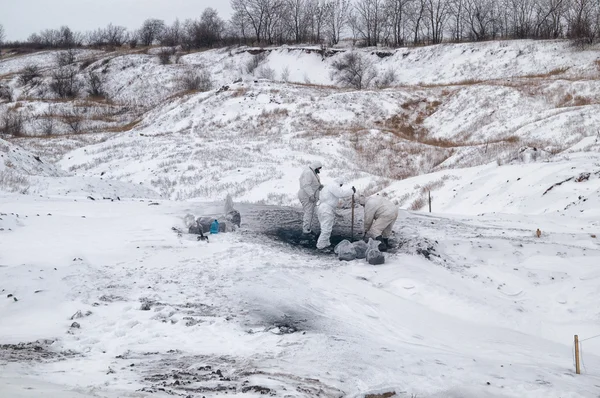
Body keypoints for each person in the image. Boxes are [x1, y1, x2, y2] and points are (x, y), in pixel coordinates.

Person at [316, 178, 356, 250]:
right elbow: (341, 194)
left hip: (323, 208)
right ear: (339, 183)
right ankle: (321, 246)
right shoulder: (333, 186)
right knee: (326, 229)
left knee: (326, 228)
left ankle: (326, 244)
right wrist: (351, 191)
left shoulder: (327, 186)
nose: (340, 186)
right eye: (341, 185)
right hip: (326, 209)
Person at [298, 161, 324, 234]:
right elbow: (306, 185)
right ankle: (306, 229)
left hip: (309, 194)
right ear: (315, 167)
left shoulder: (312, 173)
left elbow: (313, 184)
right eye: (318, 168)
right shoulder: (308, 172)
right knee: (308, 212)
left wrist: (319, 186)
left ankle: (307, 227)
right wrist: (311, 195)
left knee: (310, 212)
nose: (319, 170)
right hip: (306, 195)